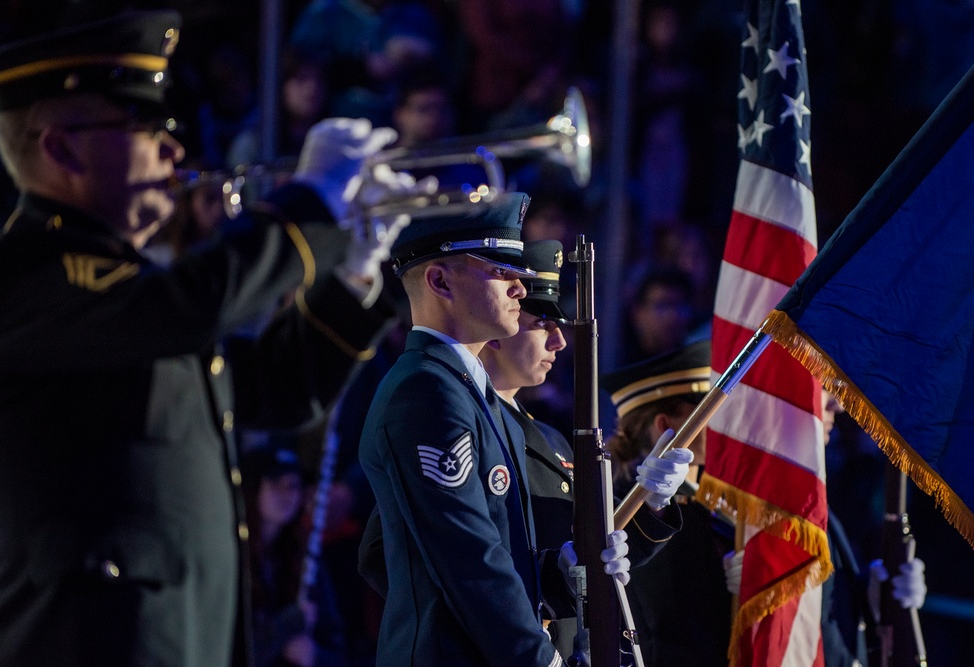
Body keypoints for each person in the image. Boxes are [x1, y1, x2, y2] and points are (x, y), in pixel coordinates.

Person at [0, 10, 419, 666]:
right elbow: (192, 304)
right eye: (145, 128)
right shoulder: (19, 275)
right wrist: (308, 207)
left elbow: (274, 390)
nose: (175, 150)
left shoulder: (131, 295)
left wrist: (354, 276)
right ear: (62, 147)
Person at [357, 239, 688, 662]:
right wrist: (526, 632)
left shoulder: (539, 436)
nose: (559, 342)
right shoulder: (436, 402)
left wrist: (563, 574)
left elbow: (551, 546)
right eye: (542, 323)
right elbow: (408, 558)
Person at [723, 390, 929, 666]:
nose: (838, 404)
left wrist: (871, 594)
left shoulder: (808, 492)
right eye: (820, 386)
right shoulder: (746, 497)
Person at [601, 339, 734, 666]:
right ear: (665, 426)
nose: (723, 424)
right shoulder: (630, 508)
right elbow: (666, 625)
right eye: (707, 412)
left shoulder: (705, 501)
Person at [242, 445, 346, 667]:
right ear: (253, 489)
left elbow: (336, 644)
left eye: (294, 486)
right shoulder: (233, 558)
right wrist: (287, 624)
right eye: (275, 484)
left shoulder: (306, 559)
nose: (288, 494)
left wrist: (315, 655)